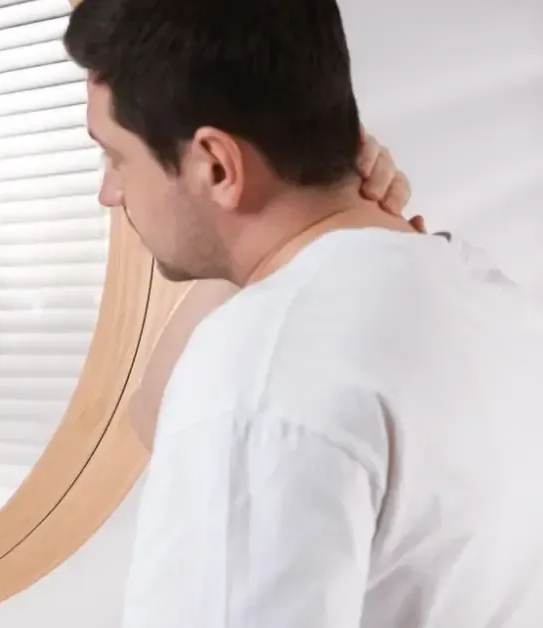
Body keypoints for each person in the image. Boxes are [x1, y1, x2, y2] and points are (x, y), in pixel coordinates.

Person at [65, 1, 543, 627]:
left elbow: (248, 396)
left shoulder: (259, 371)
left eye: (115, 157)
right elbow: (160, 415)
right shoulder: (492, 301)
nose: (110, 192)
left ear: (215, 163)